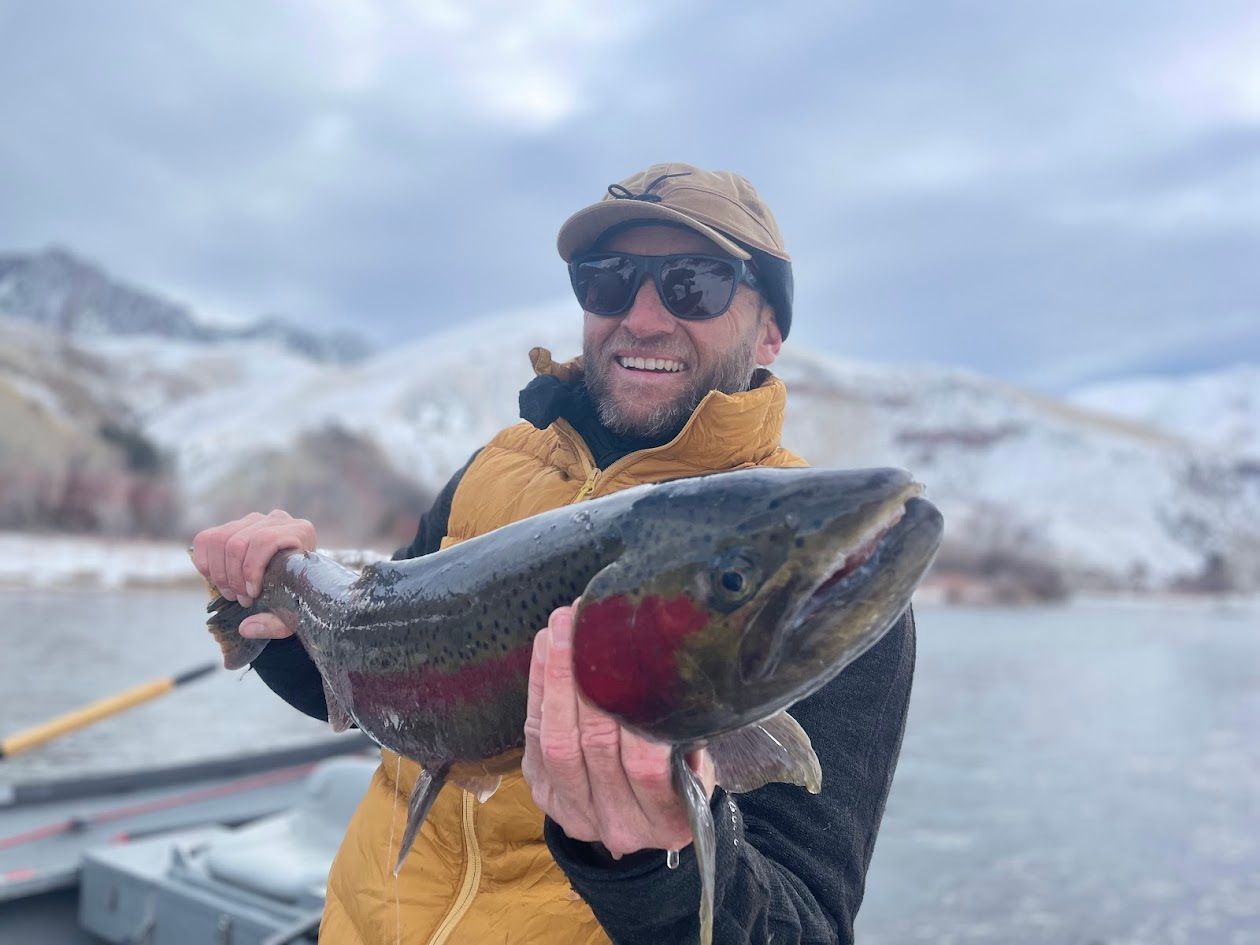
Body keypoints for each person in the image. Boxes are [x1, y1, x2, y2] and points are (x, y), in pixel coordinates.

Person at [191, 163, 916, 945]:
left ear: (770, 329)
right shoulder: (489, 473)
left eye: (694, 284)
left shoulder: (815, 577)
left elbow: (799, 928)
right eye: (607, 280)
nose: (641, 315)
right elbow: (397, 695)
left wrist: (647, 865)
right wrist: (271, 605)